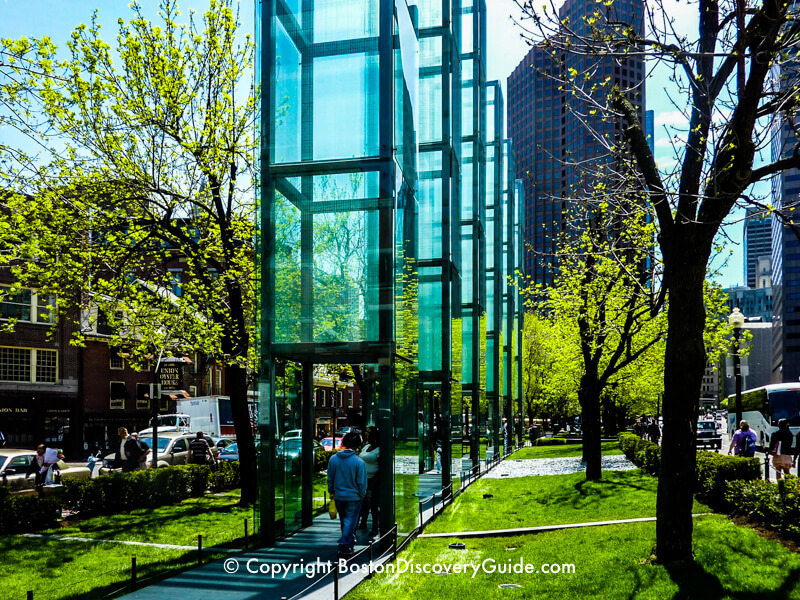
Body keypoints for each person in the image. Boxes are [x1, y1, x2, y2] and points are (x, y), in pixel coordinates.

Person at [327, 432, 367, 557]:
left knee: (344, 520)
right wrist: (362, 494)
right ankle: (344, 544)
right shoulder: (359, 462)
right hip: (354, 496)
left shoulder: (333, 459)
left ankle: (349, 541)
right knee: (350, 520)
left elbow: (330, 478)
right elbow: (361, 482)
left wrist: (331, 491)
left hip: (339, 495)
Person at [358, 426, 380, 536]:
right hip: (363, 479)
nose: (366, 435)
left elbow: (381, 468)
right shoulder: (366, 446)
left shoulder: (379, 449)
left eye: (369, 433)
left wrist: (373, 481)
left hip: (373, 480)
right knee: (364, 503)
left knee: (373, 504)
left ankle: (375, 527)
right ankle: (363, 522)